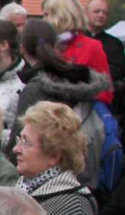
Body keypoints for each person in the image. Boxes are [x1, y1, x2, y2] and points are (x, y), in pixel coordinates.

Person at [7, 18, 111, 154]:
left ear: (22, 47)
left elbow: (18, 143)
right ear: (56, 45)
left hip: (41, 167)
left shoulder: (35, 89)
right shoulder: (75, 80)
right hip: (77, 162)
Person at [44, 0, 114, 105]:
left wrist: (78, 95)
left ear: (62, 15)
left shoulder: (92, 46)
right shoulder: (45, 44)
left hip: (78, 116)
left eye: (46, 15)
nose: (43, 20)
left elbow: (106, 91)